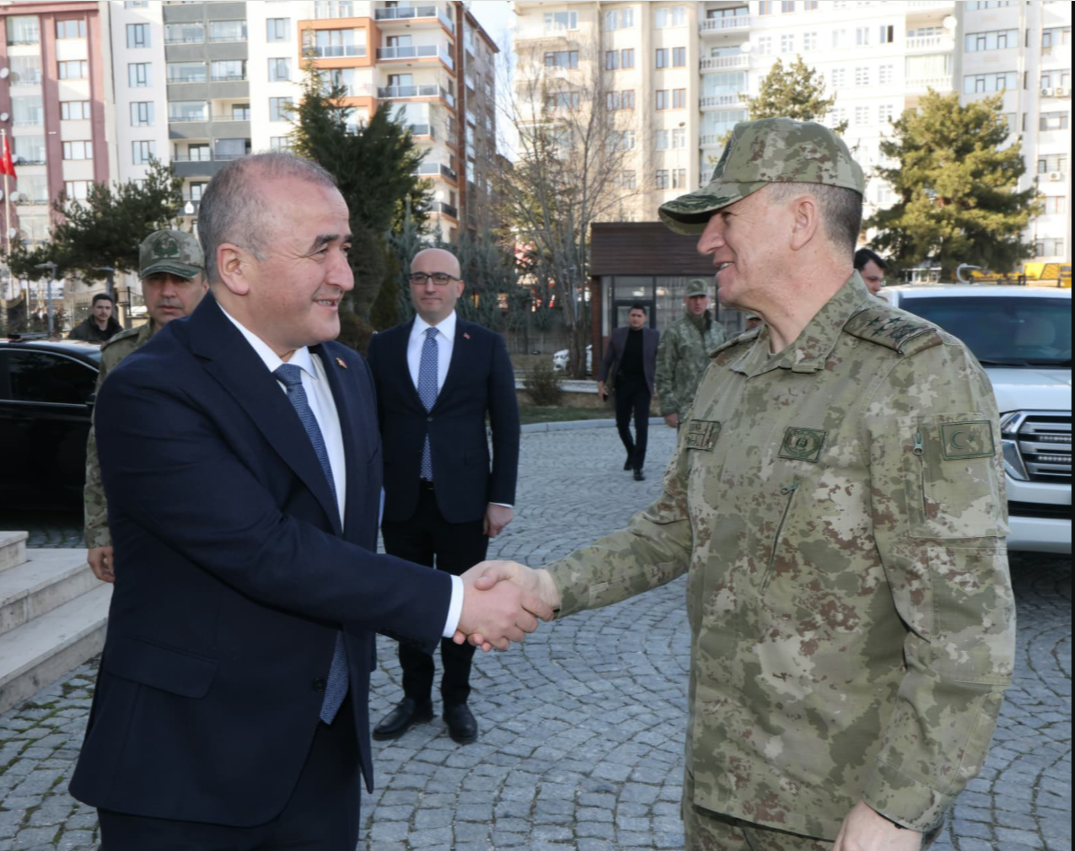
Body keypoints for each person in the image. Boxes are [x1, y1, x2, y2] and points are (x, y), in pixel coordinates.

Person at [465, 119, 1015, 851]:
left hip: (838, 812)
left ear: (800, 219)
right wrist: (548, 584)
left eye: (725, 217)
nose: (706, 242)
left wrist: (897, 810)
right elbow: (671, 528)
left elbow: (965, 629)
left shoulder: (916, 375)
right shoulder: (730, 372)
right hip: (720, 790)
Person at [68, 153, 551, 851]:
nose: (345, 276)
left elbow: (345, 545)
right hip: (189, 767)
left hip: (324, 751)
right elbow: (265, 548)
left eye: (345, 248)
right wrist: (453, 601)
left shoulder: (347, 372)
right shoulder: (152, 388)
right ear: (236, 266)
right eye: (321, 250)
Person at [367, 248, 520, 747]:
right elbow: (369, 426)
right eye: (419, 277)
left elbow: (507, 426)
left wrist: (501, 498)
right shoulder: (384, 346)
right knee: (407, 605)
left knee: (462, 604)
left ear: (459, 287)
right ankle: (415, 699)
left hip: (465, 502)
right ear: (409, 285)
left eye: (439, 277)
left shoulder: (486, 345)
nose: (429, 286)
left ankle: (457, 699)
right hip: (402, 502)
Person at [84, 229, 209, 584]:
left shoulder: (236, 348)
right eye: (156, 280)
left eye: (181, 280)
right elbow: (101, 444)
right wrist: (99, 531)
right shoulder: (119, 354)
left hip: (220, 523)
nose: (167, 291)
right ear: (142, 285)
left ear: (205, 284)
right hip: (144, 526)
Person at [597, 303, 659, 481]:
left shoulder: (654, 336)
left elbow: (662, 361)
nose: (635, 318)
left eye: (639, 316)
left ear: (644, 318)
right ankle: (632, 452)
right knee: (622, 425)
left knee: (641, 426)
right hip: (622, 385)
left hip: (643, 387)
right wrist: (601, 383)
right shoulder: (618, 334)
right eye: (633, 315)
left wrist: (660, 384)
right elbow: (607, 361)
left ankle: (638, 466)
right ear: (629, 317)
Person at [655, 281, 728, 429]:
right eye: (693, 297)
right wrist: (668, 408)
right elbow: (663, 372)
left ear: (708, 299)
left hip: (715, 407)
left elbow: (727, 369)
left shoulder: (719, 331)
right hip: (686, 409)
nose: (698, 302)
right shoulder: (674, 331)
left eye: (701, 297)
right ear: (686, 300)